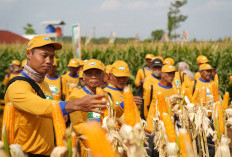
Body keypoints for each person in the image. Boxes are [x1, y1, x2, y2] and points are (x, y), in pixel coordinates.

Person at [4, 35, 106, 156]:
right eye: (44, 55)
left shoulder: (44, 83)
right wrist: (75, 104)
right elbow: (42, 106)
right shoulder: (17, 86)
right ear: (28, 54)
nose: (49, 61)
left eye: (52, 57)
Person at [68, 59, 105, 157]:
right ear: (83, 77)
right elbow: (77, 125)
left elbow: (111, 116)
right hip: (84, 147)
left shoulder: (106, 95)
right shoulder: (76, 96)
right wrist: (97, 130)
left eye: (97, 73)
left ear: (103, 77)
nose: (93, 76)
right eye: (89, 74)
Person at [146, 65, 178, 131]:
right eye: (169, 74)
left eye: (173, 73)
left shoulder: (175, 90)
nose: (172, 76)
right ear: (162, 74)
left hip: (168, 128)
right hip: (152, 127)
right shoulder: (152, 88)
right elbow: (146, 107)